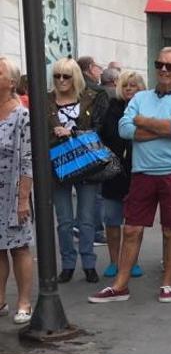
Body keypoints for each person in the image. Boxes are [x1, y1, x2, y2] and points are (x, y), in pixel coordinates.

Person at [89, 47, 171, 304]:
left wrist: (142, 121)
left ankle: (167, 283)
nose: (163, 70)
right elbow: (124, 129)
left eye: (170, 66)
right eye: (160, 64)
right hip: (142, 173)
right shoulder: (140, 98)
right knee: (132, 229)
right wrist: (163, 128)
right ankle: (120, 285)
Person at [49, 58, 104, 284]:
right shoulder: (46, 100)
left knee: (86, 219)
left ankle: (89, 264)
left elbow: (99, 129)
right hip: (57, 165)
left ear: (75, 77)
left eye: (66, 76)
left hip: (86, 163)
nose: (61, 80)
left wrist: (73, 133)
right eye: (57, 76)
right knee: (64, 221)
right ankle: (68, 264)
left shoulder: (90, 98)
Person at [98, 70, 146, 279]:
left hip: (139, 169)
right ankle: (113, 261)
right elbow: (105, 135)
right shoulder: (112, 108)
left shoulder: (146, 108)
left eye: (133, 85)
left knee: (135, 221)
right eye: (125, 85)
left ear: (141, 88)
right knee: (112, 220)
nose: (128, 89)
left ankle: (133, 261)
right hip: (114, 171)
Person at [0, 58, 34, 324]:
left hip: (12, 190)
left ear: (12, 82)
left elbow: (27, 158)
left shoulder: (21, 113)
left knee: (19, 247)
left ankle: (24, 302)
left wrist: (23, 199)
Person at [77, 56, 110, 246]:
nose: (100, 70)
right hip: (93, 149)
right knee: (95, 193)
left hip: (72, 149)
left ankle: (80, 225)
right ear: (90, 68)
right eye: (98, 66)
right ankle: (96, 230)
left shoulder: (76, 89)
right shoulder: (98, 92)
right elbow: (102, 124)